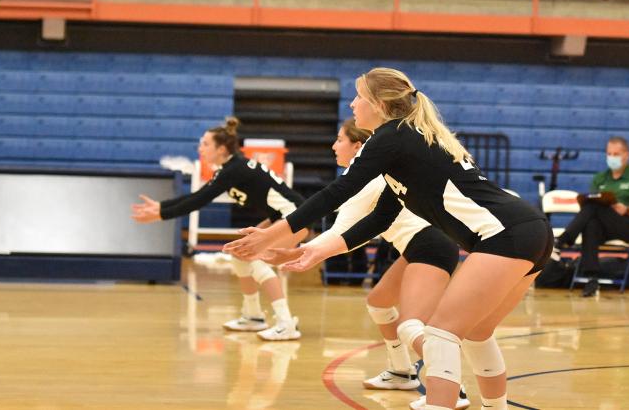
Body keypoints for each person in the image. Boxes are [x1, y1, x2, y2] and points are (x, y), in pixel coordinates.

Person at [225, 67, 552, 410]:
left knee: (440, 332)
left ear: (379, 104)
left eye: (359, 98)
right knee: (477, 333)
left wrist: (271, 235)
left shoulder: (392, 136)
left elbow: (337, 192)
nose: (352, 104)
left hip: (505, 234)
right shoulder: (408, 144)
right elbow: (376, 220)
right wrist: (313, 252)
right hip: (528, 231)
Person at [269, 118, 468, 408]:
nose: (333, 145)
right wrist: (301, 251)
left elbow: (343, 233)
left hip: (431, 245)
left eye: (340, 140)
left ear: (358, 146)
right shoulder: (369, 177)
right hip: (417, 246)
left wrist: (300, 252)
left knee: (410, 325)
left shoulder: (366, 180)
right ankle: (402, 372)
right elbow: (350, 233)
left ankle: (453, 387)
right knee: (379, 302)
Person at [131, 116, 308, 341]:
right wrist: (161, 207)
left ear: (221, 149)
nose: (200, 148)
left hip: (295, 217)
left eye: (205, 144)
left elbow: (199, 200)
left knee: (256, 257)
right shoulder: (231, 167)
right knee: (239, 251)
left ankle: (285, 322)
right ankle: (253, 316)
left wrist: (161, 213)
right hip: (281, 217)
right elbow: (198, 196)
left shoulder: (233, 169)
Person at [551, 136, 629, 297]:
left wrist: (626, 210)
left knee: (593, 207)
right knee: (591, 223)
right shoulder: (600, 177)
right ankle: (592, 279)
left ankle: (562, 241)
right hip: (603, 225)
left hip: (627, 225)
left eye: (616, 154)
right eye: (609, 154)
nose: (612, 158)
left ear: (626, 155)